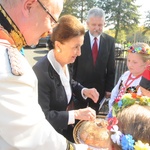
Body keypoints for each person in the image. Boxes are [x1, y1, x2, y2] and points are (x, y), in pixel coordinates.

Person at [0, 0, 89, 149]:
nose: (50, 30)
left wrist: (83, 90)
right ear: (28, 6)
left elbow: (69, 82)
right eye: (52, 19)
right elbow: (31, 134)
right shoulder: (8, 64)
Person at [33, 14, 99, 142]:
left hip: (64, 131)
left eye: (81, 46)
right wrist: (76, 114)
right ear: (58, 46)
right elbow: (43, 117)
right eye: (75, 47)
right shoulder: (40, 73)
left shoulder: (64, 60)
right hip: (50, 137)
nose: (79, 53)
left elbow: (68, 82)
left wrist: (83, 90)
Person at [73, 7, 115, 114]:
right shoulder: (79, 39)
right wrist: (73, 86)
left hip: (99, 89)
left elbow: (111, 68)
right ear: (87, 24)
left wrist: (108, 89)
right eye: (94, 25)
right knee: (79, 116)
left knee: (93, 118)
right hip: (80, 88)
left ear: (104, 24)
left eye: (100, 25)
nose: (97, 28)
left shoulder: (109, 41)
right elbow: (73, 65)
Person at [108, 42, 150, 111]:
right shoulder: (126, 75)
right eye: (128, 60)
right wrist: (112, 108)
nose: (130, 65)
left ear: (147, 63)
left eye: (135, 62)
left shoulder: (145, 81)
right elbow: (115, 91)